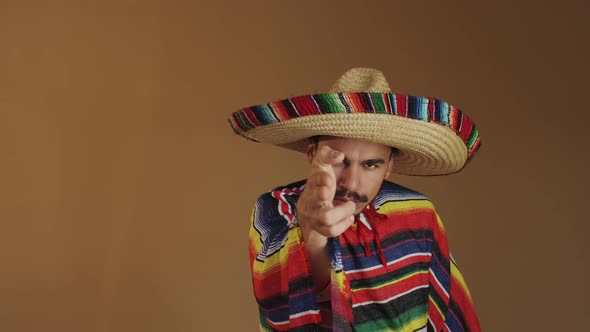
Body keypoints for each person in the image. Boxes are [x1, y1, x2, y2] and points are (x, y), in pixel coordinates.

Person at [229, 68, 482, 331]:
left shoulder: (419, 212)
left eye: (371, 165)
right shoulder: (274, 209)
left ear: (390, 167)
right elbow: (276, 299)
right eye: (339, 161)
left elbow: (449, 317)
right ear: (312, 155)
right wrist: (311, 231)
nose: (351, 182)